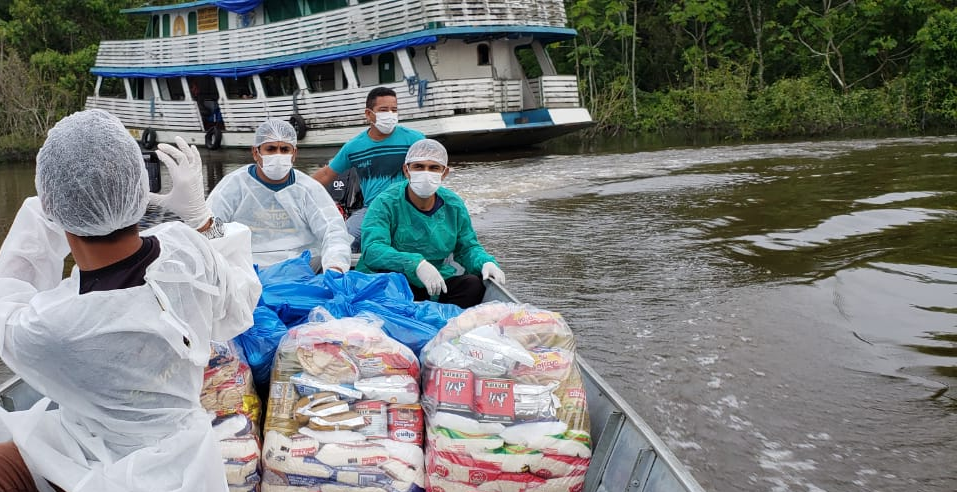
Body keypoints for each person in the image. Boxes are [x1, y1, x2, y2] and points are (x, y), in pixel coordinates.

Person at [0, 109, 261, 491]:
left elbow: (10, 288)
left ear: (53, 208)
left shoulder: (48, 327)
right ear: (139, 188)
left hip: (83, 457)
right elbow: (240, 306)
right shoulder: (188, 253)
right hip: (185, 466)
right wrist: (203, 219)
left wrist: (38, 219)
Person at [356, 139, 505, 308]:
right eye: (418, 167)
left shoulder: (453, 205)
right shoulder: (385, 203)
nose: (426, 173)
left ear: (444, 173)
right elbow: (373, 250)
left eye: (434, 167)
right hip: (393, 279)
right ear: (406, 170)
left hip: (436, 279)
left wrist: (485, 262)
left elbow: (467, 247)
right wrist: (415, 264)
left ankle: (445, 324)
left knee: (473, 285)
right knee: (386, 289)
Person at [207, 118, 352, 272]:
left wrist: (335, 267)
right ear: (256, 152)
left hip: (301, 272)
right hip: (246, 273)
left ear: (294, 153)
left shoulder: (308, 189)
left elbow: (333, 230)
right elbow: (210, 228)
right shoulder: (234, 185)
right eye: (270, 149)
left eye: (284, 149)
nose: (278, 154)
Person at [312, 86, 425, 252]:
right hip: (372, 210)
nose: (391, 115)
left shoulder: (415, 140)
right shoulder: (354, 147)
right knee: (341, 242)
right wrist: (295, 189)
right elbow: (327, 174)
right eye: (384, 110)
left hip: (409, 207)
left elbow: (433, 171)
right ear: (368, 114)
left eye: (394, 110)